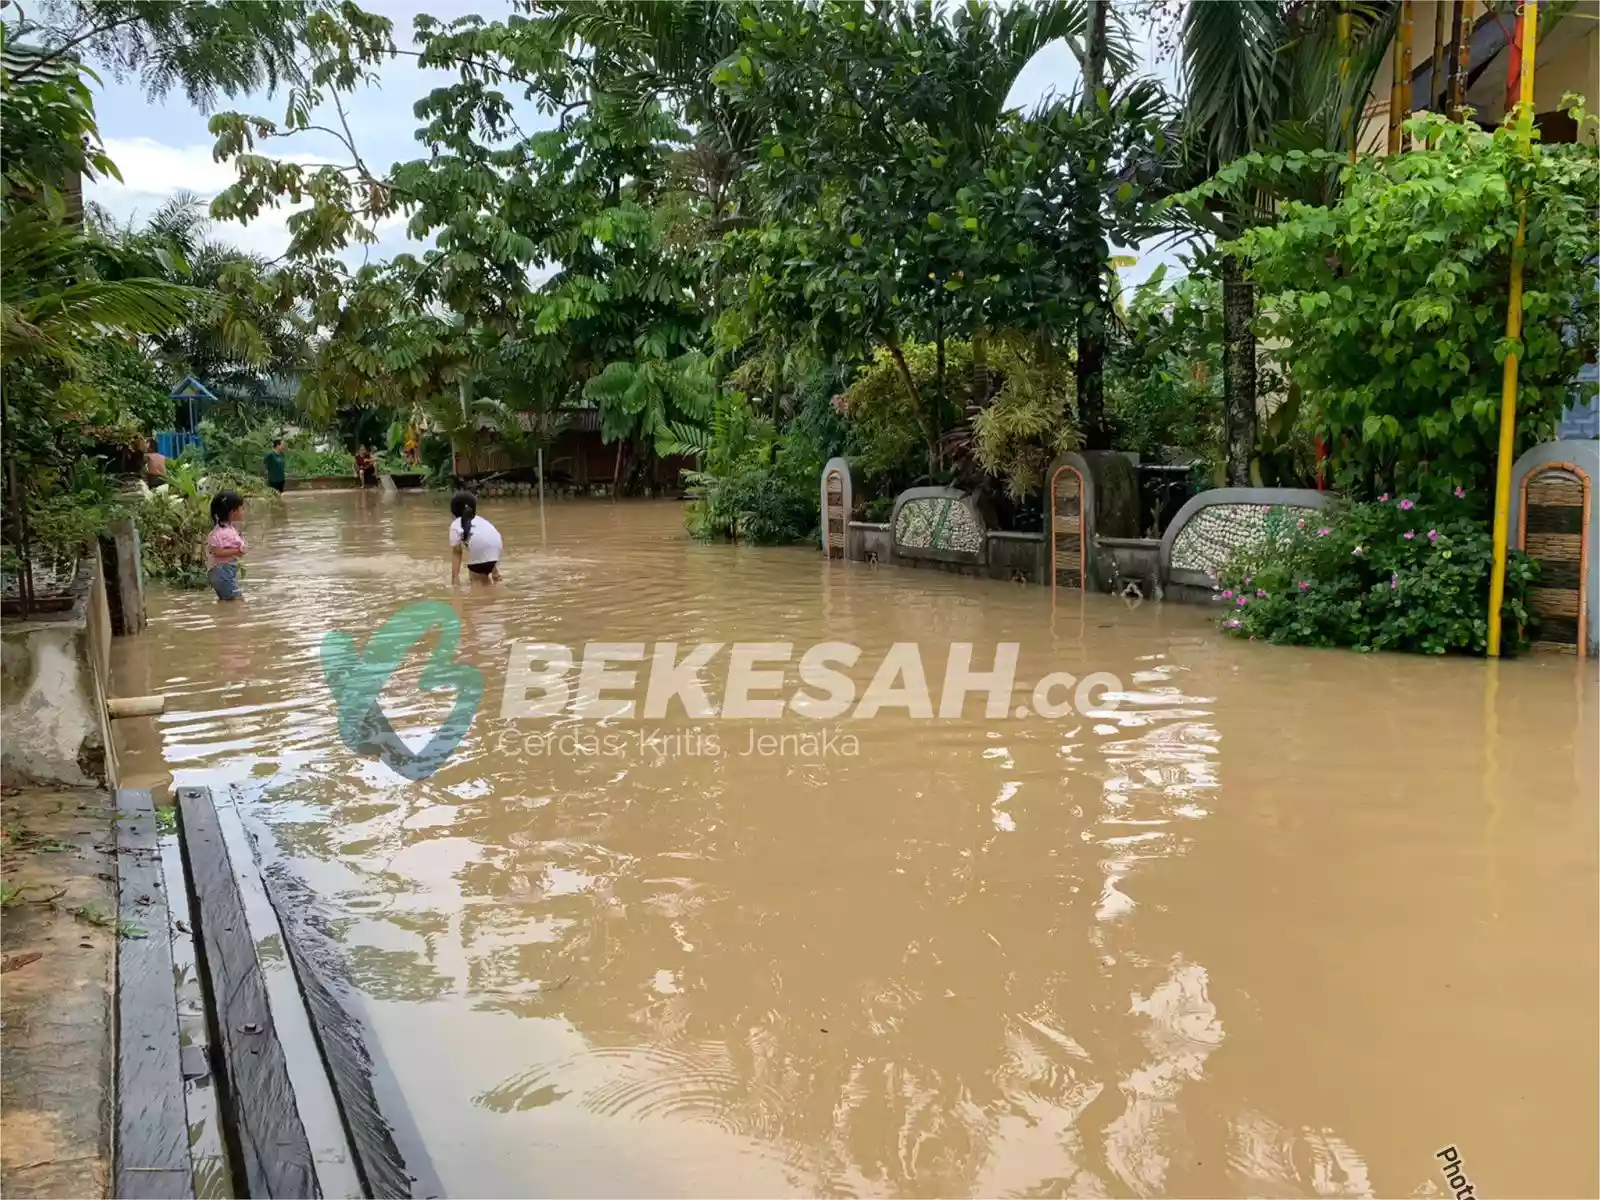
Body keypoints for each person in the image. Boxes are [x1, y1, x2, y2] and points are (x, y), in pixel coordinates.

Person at [449, 490, 502, 585]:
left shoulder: (455, 524)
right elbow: (486, 543)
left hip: (482, 549)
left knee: (478, 584)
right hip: (497, 546)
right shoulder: (481, 520)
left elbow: (457, 552)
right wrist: (494, 570)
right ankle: (496, 578)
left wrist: (455, 578)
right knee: (484, 573)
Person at [206, 490, 246, 601]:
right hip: (223, 573)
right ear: (233, 512)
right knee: (237, 601)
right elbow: (216, 551)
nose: (243, 511)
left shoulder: (224, 529)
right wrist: (237, 551)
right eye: (241, 508)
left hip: (223, 572)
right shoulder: (222, 532)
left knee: (229, 601)